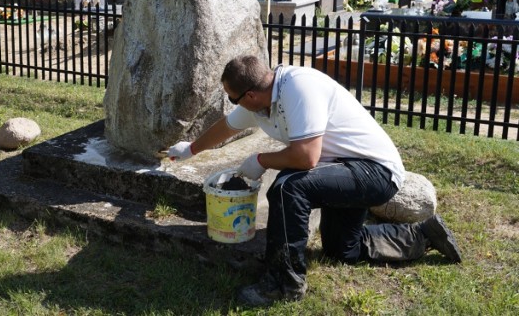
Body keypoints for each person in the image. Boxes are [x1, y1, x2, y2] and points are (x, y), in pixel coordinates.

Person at [168, 55, 462, 306]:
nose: (234, 105)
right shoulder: (261, 101)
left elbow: (306, 158)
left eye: (233, 98)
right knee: (342, 250)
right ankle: (422, 234)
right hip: (343, 169)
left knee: (288, 187)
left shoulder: (298, 88)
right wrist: (191, 149)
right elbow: (226, 127)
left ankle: (284, 282)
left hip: (375, 172)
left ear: (250, 96)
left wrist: (259, 160)